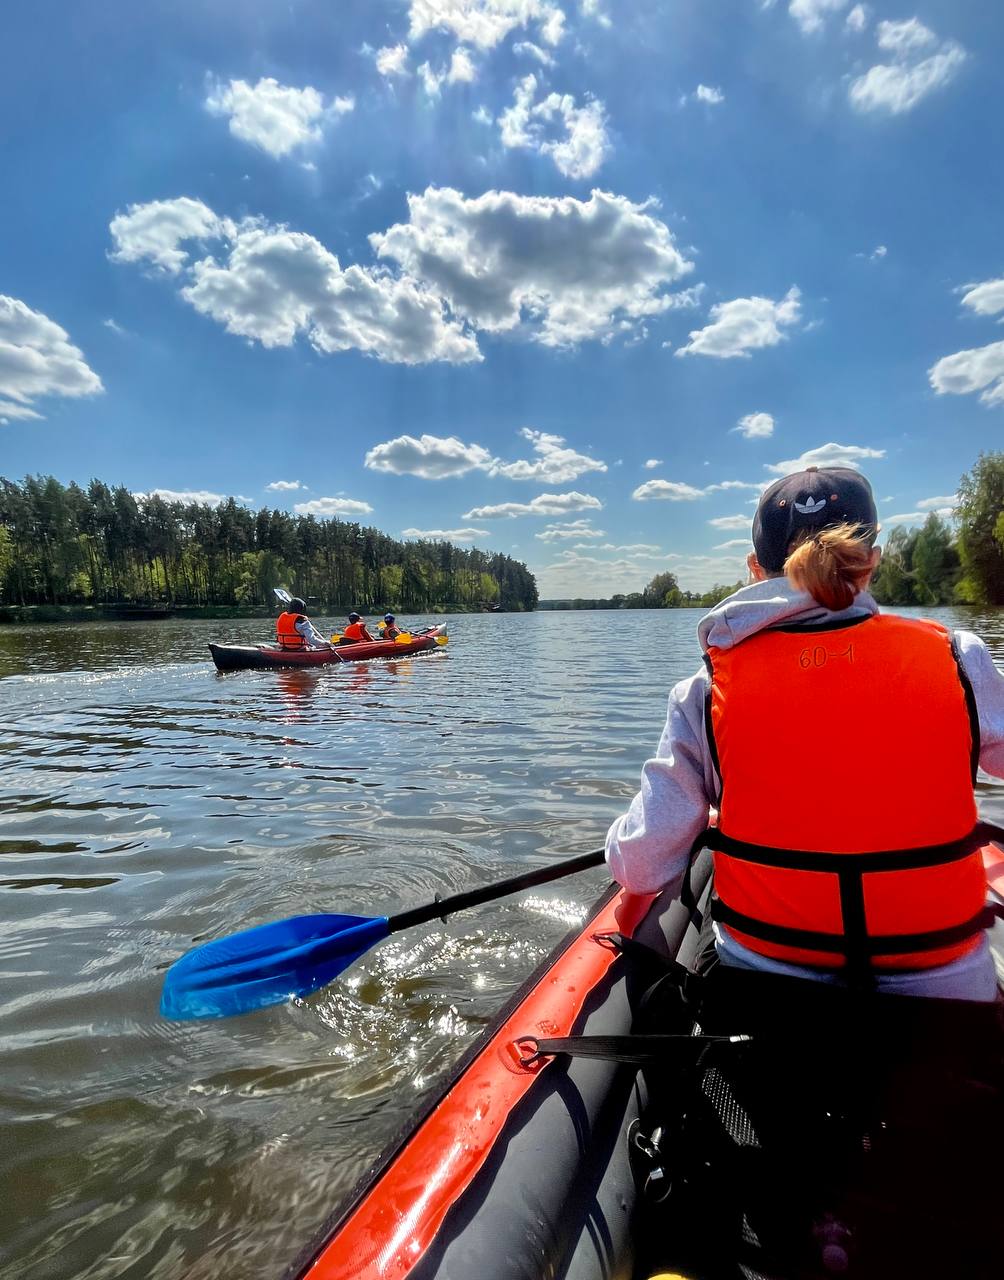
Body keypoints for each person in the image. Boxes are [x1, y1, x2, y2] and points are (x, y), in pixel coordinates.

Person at [606, 465, 1004, 1001]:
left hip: (767, 987)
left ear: (755, 569)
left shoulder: (704, 690)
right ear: (872, 560)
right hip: (949, 990)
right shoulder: (958, 658)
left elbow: (643, 864)